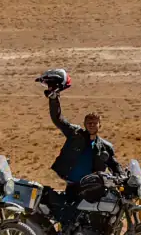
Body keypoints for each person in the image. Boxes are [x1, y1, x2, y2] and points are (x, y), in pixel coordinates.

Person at [42, 83, 118, 227]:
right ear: (84, 124)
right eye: (89, 122)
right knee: (67, 219)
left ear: (100, 125)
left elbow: (115, 165)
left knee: (90, 220)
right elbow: (58, 119)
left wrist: (124, 176)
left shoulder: (105, 147)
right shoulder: (75, 134)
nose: (91, 125)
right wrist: (54, 99)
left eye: (95, 123)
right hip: (73, 186)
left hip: (91, 189)